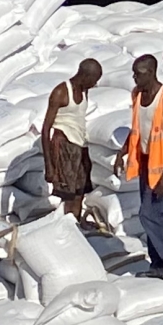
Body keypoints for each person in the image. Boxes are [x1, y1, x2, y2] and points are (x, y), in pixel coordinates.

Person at [122, 54, 163, 276]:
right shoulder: (137, 95)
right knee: (159, 215)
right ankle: (159, 263)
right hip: (144, 162)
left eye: (138, 74)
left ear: (151, 73)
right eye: (133, 74)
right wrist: (122, 152)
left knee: (147, 215)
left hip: (162, 168)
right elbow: (136, 128)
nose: (135, 79)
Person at [40, 57, 103, 223]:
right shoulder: (61, 92)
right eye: (94, 80)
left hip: (80, 145)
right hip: (64, 145)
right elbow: (46, 129)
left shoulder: (84, 90)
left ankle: (76, 226)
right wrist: (49, 165)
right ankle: (66, 228)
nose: (94, 85)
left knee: (80, 191)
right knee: (67, 194)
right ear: (85, 76)